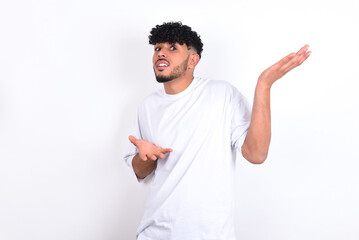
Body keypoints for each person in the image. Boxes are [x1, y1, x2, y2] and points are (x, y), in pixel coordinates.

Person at [124, 21, 311, 240]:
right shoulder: (147, 106)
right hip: (154, 232)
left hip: (209, 234)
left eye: (172, 48)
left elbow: (256, 154)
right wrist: (146, 157)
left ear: (193, 60)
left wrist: (264, 85)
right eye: (157, 49)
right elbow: (140, 171)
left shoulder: (221, 94)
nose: (161, 54)